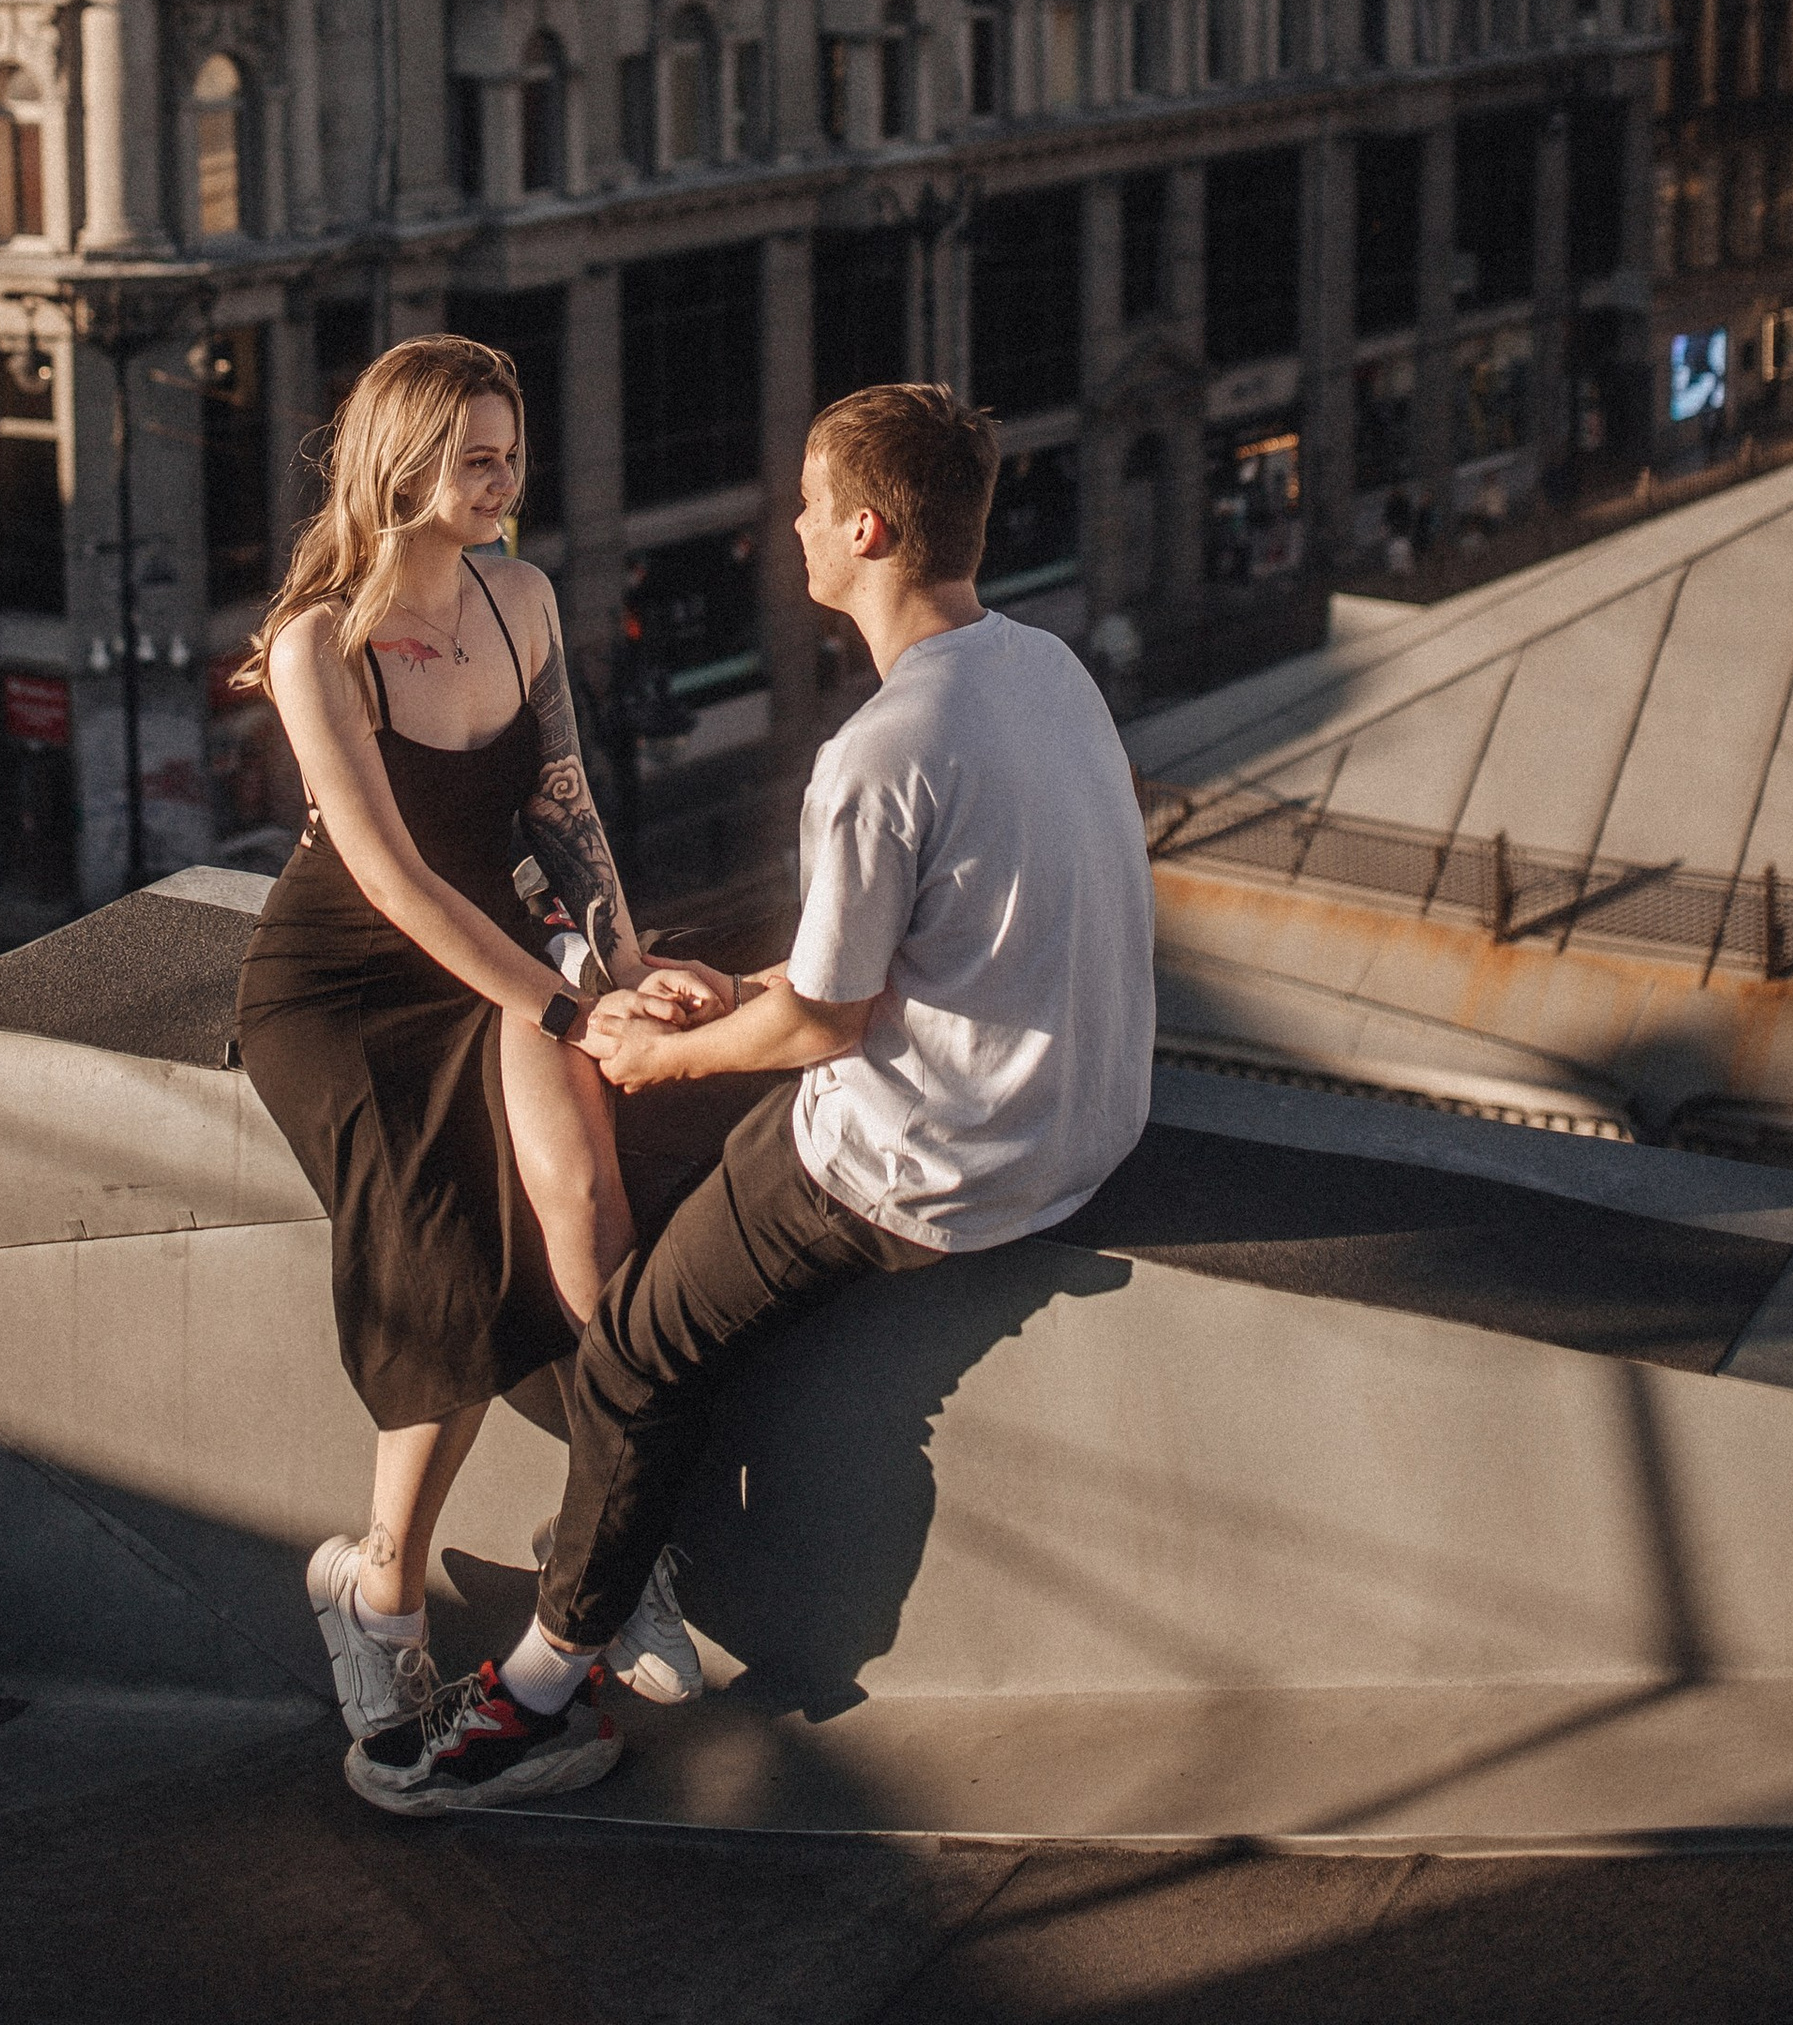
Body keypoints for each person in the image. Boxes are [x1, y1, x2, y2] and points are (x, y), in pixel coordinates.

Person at [346, 381, 1156, 1816]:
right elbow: (904, 945)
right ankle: (611, 1543)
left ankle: (543, 1690)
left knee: (637, 1353)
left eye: (804, 500)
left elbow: (829, 1024)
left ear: (864, 527)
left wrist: (658, 1051)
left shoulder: (878, 753)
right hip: (1082, 1127)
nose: (788, 525)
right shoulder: (1041, 667)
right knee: (660, 1186)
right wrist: (730, 993)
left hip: (933, 1163)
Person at [234, 334, 708, 1751]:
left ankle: (611, 1557)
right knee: (450, 1260)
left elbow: (562, 802)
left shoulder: (523, 597)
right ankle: (382, 1598)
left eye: (514, 451)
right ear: (403, 465)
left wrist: (627, 967)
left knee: (579, 1211)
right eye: (477, 456)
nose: (507, 480)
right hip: (338, 989)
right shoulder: (319, 642)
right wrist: (567, 1002)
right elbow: (387, 878)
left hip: (498, 969)